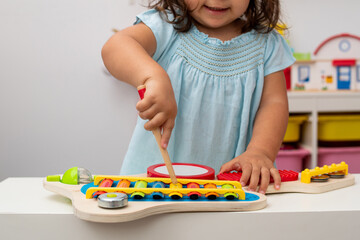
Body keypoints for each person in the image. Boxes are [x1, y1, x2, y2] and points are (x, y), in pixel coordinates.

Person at [102, 0, 295, 194]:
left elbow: (273, 103)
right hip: (153, 185)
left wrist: (260, 151)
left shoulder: (267, 43)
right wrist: (152, 76)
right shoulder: (167, 27)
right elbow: (115, 47)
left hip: (234, 188)